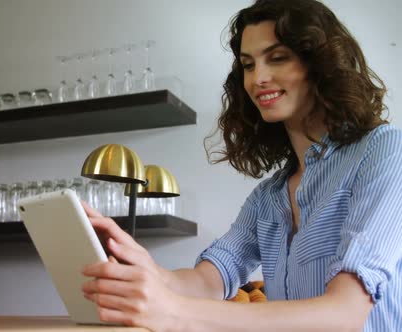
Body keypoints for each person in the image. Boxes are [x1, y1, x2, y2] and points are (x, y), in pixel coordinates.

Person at [80, 0, 402, 330]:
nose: (258, 78)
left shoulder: (384, 151)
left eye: (278, 58)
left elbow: (344, 314)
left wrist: (174, 312)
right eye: (248, 65)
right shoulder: (269, 196)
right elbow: (208, 280)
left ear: (320, 65)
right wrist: (147, 269)